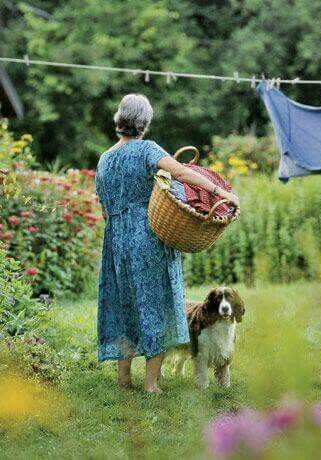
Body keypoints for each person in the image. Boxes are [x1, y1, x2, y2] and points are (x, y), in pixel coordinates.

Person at [95, 94, 239, 393]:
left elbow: (104, 206)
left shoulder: (105, 158)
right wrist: (220, 192)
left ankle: (123, 379)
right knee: (155, 304)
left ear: (118, 120)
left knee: (124, 306)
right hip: (148, 236)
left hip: (115, 240)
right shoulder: (147, 149)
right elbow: (183, 173)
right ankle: (151, 385)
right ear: (144, 123)